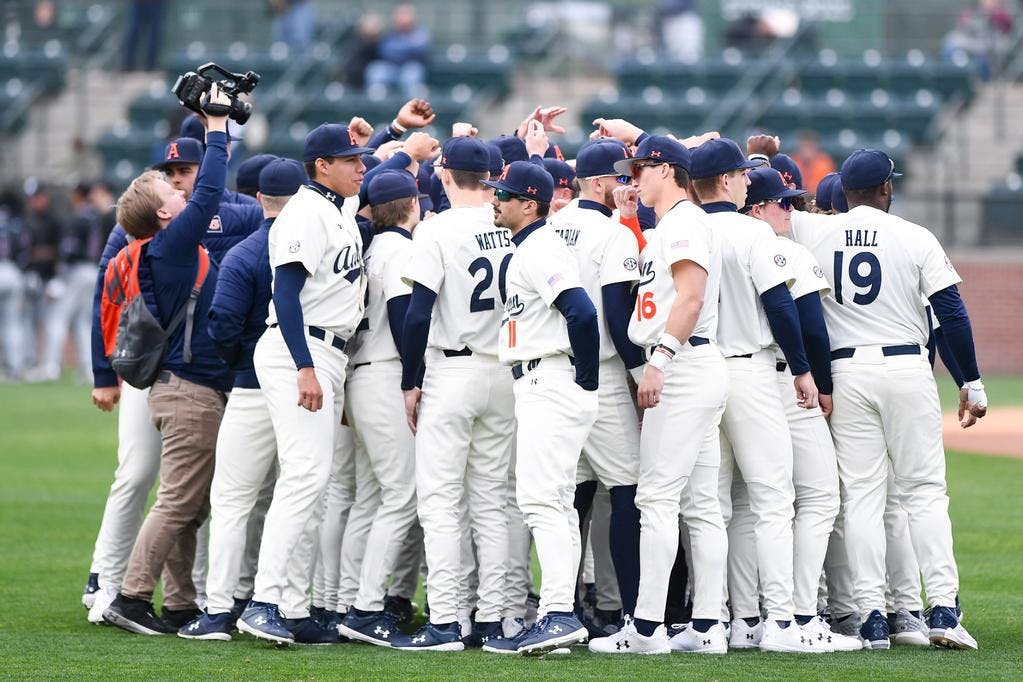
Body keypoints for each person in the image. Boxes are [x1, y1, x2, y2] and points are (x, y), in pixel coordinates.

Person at [789, 149, 986, 651]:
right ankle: (941, 608)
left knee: (861, 498)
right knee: (923, 494)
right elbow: (952, 314)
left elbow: (770, 208)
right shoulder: (915, 236)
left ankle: (873, 616)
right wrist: (972, 382)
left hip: (846, 371)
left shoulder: (814, 232)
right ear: (886, 188)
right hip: (905, 367)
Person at [101, 85, 234, 636]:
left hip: (175, 388)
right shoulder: (172, 244)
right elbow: (208, 194)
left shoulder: (159, 248)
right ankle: (130, 597)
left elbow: (202, 198)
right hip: (189, 390)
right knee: (179, 501)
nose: (184, 194)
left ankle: (179, 604)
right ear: (162, 213)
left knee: (186, 501)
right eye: (171, 192)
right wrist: (217, 128)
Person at [589, 135, 728, 655]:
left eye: (640, 169)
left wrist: (660, 360)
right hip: (692, 363)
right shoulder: (668, 225)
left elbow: (690, 298)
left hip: (684, 363)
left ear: (666, 170)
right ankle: (707, 626)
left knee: (657, 499)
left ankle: (647, 628)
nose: (632, 179)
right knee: (700, 505)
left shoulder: (686, 222)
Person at [688, 138, 825, 654]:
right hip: (749, 370)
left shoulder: (682, 228)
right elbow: (782, 306)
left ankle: (718, 623)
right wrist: (804, 370)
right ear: (725, 180)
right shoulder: (751, 231)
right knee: (771, 498)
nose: (749, 180)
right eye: (743, 174)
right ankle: (781, 623)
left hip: (697, 368)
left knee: (712, 505)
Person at [238, 123, 371, 645]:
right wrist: (305, 366)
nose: (361, 167)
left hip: (327, 351)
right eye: (351, 160)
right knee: (304, 476)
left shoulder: (333, 209)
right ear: (322, 166)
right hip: (302, 348)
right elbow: (286, 294)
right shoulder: (304, 211)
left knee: (313, 484)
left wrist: (396, 135)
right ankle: (264, 601)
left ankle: (292, 607)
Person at [394, 135, 514, 652]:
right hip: (506, 370)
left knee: (441, 500)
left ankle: (447, 620)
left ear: (444, 175)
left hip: (453, 368)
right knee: (492, 502)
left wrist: (409, 378)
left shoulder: (436, 228)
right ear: (489, 178)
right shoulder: (511, 226)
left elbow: (418, 312)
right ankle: (493, 619)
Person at [179, 157, 307, 642]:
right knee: (300, 495)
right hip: (303, 380)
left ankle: (217, 610)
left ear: (259, 200)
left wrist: (241, 361)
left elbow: (222, 324)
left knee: (232, 499)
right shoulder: (319, 241)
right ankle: (291, 604)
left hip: (252, 383)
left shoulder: (245, 252)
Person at [479, 160, 599, 655]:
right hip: (544, 378)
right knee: (558, 506)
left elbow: (582, 311)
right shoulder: (529, 247)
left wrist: (586, 381)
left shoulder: (539, 248)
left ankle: (556, 615)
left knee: (541, 503)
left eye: (503, 195)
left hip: (548, 379)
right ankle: (559, 611)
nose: (494, 200)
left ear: (528, 204)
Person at [741, 167, 862, 652]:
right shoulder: (785, 250)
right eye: (782, 202)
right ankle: (798, 614)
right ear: (757, 209)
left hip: (732, 377)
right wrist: (819, 380)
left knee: (741, 505)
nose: (791, 209)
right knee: (817, 496)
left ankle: (741, 618)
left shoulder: (719, 245)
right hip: (786, 380)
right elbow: (811, 327)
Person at [545, 138, 644, 627]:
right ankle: (631, 612)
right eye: (620, 178)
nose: (626, 185)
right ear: (602, 182)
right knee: (626, 489)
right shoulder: (613, 233)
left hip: (550, 371)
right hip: (600, 373)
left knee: (571, 496)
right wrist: (641, 371)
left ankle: (563, 609)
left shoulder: (547, 226)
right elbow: (617, 312)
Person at [337, 169, 424, 646]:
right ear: (412, 205)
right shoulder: (399, 250)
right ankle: (368, 608)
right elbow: (403, 317)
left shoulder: (369, 247)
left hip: (361, 372)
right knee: (402, 494)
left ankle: (350, 602)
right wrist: (415, 379)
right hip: (386, 372)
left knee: (372, 497)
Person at [365, 4, 431, 97]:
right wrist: (407, 46)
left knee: (412, 73)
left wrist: (398, 48)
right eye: (400, 14)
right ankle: (377, 103)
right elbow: (385, 51)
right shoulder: (389, 33)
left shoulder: (421, 32)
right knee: (376, 70)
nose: (403, 18)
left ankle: (412, 105)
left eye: (406, 14)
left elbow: (420, 49)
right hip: (390, 68)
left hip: (409, 67)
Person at [123, 0, 166, 72]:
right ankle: (128, 64)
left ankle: (151, 66)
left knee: (154, 35)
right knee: (133, 33)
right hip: (138, 3)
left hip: (156, 3)